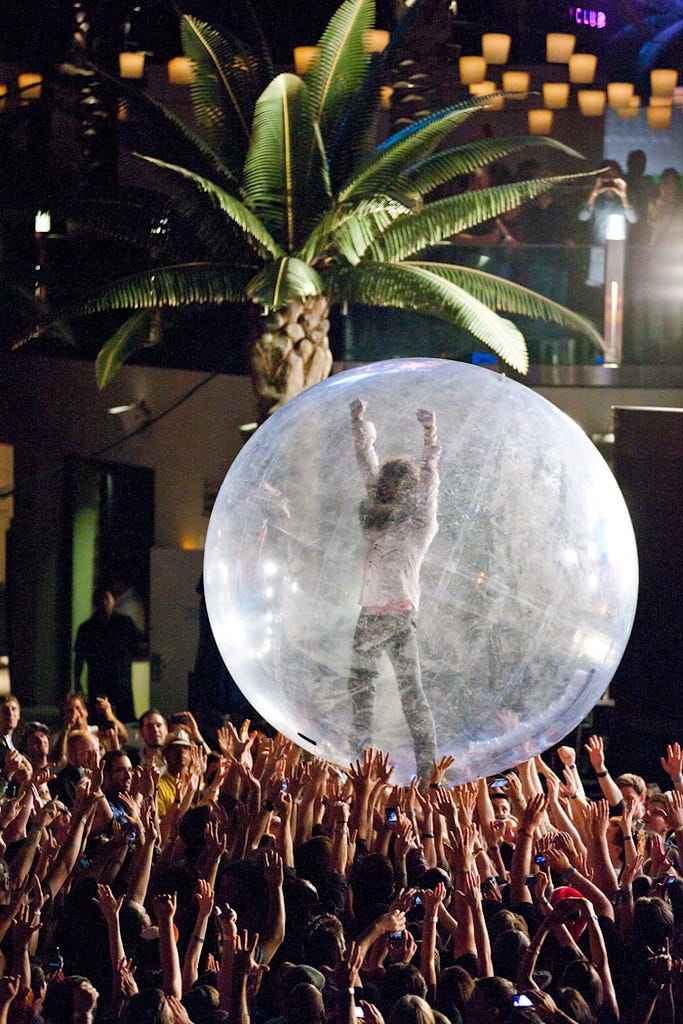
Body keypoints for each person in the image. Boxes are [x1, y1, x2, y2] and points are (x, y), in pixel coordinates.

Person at [347, 399, 440, 783]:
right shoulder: (377, 515)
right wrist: (359, 424)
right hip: (370, 613)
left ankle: (428, 772)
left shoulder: (418, 523)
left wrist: (431, 436)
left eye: (390, 488)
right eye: (382, 487)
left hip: (400, 615)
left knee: (411, 696)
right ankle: (357, 768)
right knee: (359, 695)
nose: (382, 491)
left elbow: (431, 479)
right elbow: (366, 467)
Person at [578, 161, 637, 334]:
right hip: (598, 254)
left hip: (618, 254)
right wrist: (594, 193)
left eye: (613, 177)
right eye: (606, 177)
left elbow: (633, 218)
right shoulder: (596, 199)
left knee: (617, 296)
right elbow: (582, 216)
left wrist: (624, 195)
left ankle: (616, 334)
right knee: (597, 297)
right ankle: (598, 335)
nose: (610, 181)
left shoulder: (625, 199)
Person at [73, 586, 147, 724]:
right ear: (95, 602)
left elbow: (140, 643)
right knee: (99, 717)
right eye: (101, 599)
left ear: (113, 600)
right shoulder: (87, 628)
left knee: (125, 716)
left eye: (107, 598)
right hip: (98, 680)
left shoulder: (125, 623)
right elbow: (79, 656)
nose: (104, 602)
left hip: (121, 679)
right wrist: (77, 681)